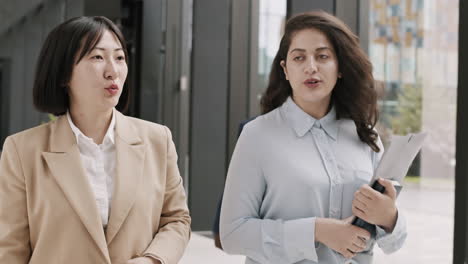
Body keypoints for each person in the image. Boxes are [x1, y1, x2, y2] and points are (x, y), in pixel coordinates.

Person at [220, 11, 406, 264]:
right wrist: (317, 231)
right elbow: (233, 235)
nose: (311, 67)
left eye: (323, 56)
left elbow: (394, 243)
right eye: (299, 57)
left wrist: (389, 217)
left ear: (339, 66)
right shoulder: (258, 136)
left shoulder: (366, 136)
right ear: (285, 69)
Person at [0, 16, 191, 264]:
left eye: (120, 58)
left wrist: (152, 260)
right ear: (63, 73)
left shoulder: (157, 140)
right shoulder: (22, 150)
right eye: (97, 57)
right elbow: (10, 249)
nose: (113, 71)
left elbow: (176, 219)